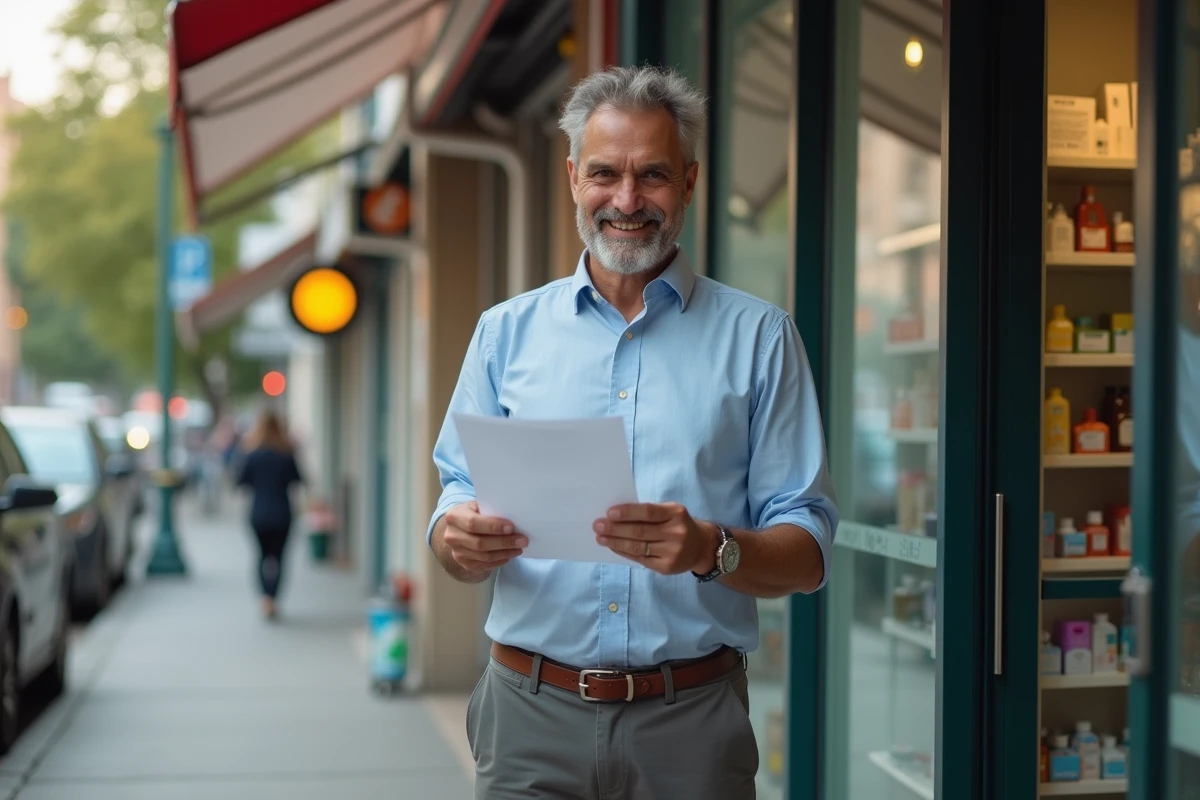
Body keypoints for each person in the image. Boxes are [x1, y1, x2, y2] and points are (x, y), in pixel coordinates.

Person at [428, 65, 838, 799]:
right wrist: (453, 537)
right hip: (527, 719)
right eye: (605, 174)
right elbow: (456, 492)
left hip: (691, 726)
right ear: (572, 180)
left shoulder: (761, 338)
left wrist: (712, 548)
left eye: (652, 175)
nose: (626, 200)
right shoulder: (504, 335)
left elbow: (807, 553)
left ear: (689, 182)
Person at [236, 409, 304, 620]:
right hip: (282, 513)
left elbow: (240, 482)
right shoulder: (286, 452)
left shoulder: (252, 453)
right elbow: (299, 480)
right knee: (279, 558)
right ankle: (273, 598)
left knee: (262, 557)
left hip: (258, 513)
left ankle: (265, 597)